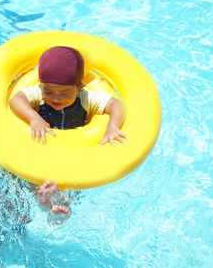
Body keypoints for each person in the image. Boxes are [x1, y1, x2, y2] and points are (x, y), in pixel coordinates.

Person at [9, 46, 127, 218]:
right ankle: (43, 201)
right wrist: (33, 117)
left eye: (65, 93)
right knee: (34, 176)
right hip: (43, 149)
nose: (56, 98)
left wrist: (113, 126)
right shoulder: (38, 93)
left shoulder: (86, 98)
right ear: (41, 85)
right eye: (48, 91)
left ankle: (58, 210)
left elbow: (116, 105)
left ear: (79, 87)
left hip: (73, 152)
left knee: (74, 183)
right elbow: (16, 99)